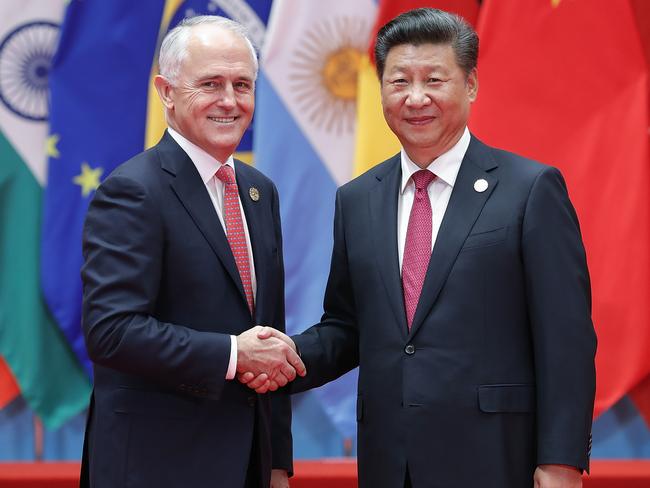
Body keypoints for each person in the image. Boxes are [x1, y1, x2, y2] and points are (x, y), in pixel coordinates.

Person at [242, 8, 596, 488]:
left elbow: (566, 339)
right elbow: (348, 327)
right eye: (399, 80)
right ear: (381, 89)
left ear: (469, 85)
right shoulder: (357, 198)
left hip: (496, 460)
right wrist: (279, 358)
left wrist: (561, 460)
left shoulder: (530, 189)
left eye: (434, 79)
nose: (415, 97)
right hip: (390, 462)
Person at [80, 16, 304, 488]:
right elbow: (111, 331)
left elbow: (269, 335)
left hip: (248, 464)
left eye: (243, 84)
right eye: (210, 84)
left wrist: (278, 462)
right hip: (156, 466)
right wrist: (231, 354)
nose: (230, 100)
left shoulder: (258, 192)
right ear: (166, 91)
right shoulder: (133, 190)